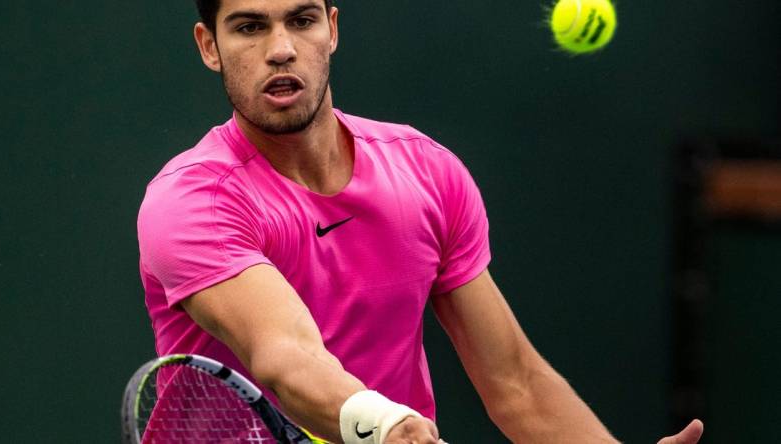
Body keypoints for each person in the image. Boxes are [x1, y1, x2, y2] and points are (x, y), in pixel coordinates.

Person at [137, 0, 704, 442]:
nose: (281, 48)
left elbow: (516, 386)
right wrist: (383, 425)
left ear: (331, 30)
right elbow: (287, 358)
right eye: (249, 27)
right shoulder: (193, 201)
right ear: (209, 45)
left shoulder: (426, 173)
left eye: (302, 20)